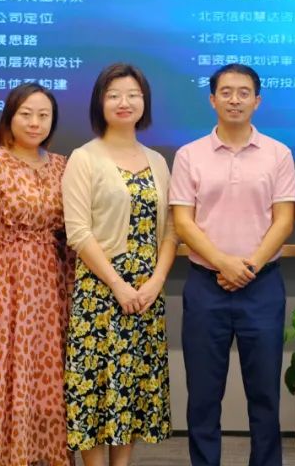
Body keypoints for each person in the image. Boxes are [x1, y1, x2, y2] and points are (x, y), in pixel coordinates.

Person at [170, 64, 295, 466]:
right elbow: (183, 222)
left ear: (257, 101)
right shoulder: (189, 155)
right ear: (212, 99)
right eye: (226, 92)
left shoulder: (278, 153)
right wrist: (223, 262)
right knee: (203, 396)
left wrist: (249, 267)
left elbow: (284, 220)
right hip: (206, 287)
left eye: (244, 93)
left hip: (262, 286)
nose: (235, 100)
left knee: (264, 394)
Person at [0, 82, 73, 466]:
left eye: (44, 115)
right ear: (9, 116)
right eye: (26, 114)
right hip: (3, 283)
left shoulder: (63, 166)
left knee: (44, 375)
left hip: (51, 284)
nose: (35, 122)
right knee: (0, 375)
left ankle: (40, 455)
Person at [63, 63, 176, 466]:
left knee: (129, 386)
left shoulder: (157, 161)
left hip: (145, 295)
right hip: (100, 291)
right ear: (100, 103)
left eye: (132, 95)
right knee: (94, 387)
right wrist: (118, 284)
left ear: (144, 102)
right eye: (113, 95)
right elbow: (78, 232)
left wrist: (155, 282)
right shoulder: (84, 158)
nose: (123, 102)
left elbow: (171, 231)